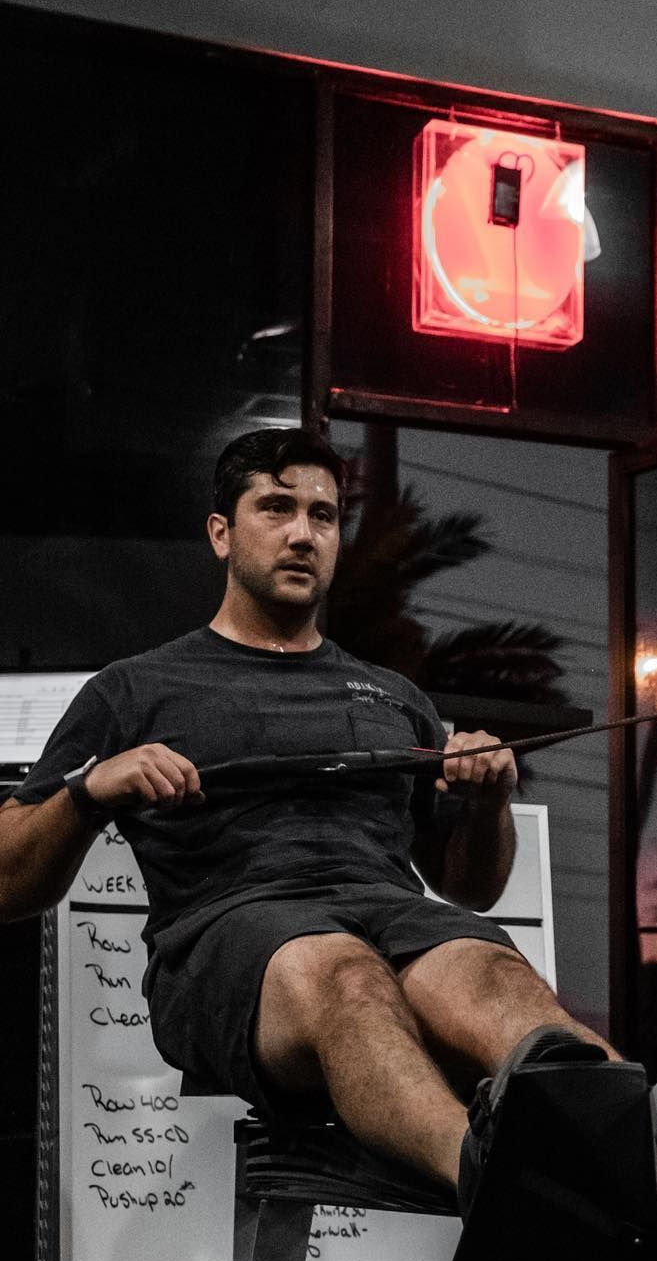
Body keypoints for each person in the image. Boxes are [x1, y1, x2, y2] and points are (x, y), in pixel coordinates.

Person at [0, 426, 623, 1219]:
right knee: (342, 969)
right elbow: (5, 881)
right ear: (221, 533)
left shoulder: (395, 699)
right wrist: (91, 792)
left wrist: (489, 799)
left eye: (324, 516)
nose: (303, 533)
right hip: (225, 944)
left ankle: (644, 1174)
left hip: (388, 915)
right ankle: (491, 1188)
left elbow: (470, 887)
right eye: (276, 508)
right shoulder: (134, 690)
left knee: (493, 973)